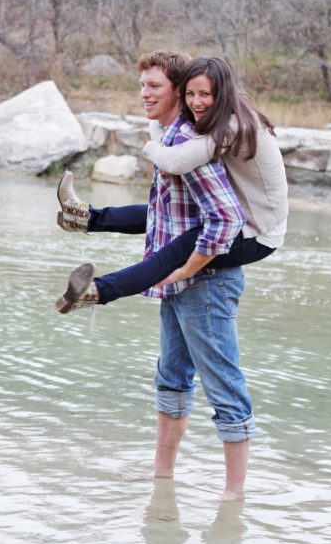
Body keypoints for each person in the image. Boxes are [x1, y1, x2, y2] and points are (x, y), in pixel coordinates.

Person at [57, 50, 258, 499]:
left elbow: (226, 218)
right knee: (170, 379)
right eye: (142, 85)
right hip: (179, 284)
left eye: (155, 87)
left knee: (224, 386)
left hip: (207, 283)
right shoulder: (170, 141)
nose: (144, 94)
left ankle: (234, 499)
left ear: (177, 94)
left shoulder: (189, 144)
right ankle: (162, 478)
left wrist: (189, 265)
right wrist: (93, 219)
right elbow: (159, 215)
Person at [55, 55, 287, 312]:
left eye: (205, 94)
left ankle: (95, 291)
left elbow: (176, 161)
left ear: (221, 93)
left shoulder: (230, 127)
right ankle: (81, 218)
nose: (197, 101)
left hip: (257, 231)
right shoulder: (215, 117)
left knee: (177, 252)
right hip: (244, 218)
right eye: (192, 93)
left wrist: (187, 269)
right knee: (162, 212)